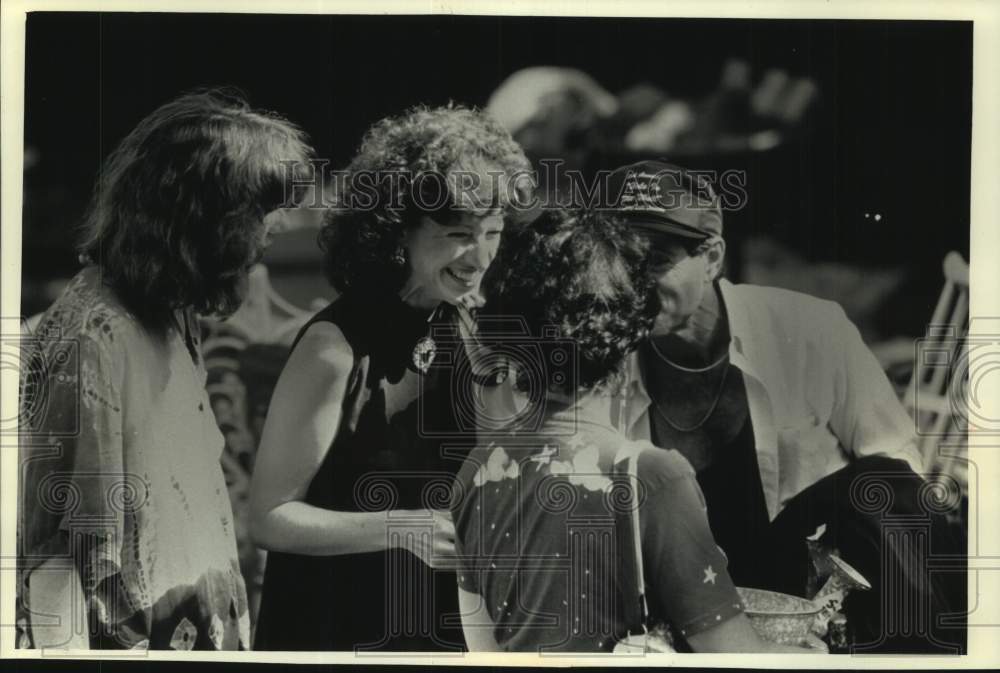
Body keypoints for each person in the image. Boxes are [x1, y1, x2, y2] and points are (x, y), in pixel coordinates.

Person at [602, 159, 966, 653]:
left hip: (811, 580)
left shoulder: (808, 329)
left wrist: (835, 595)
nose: (628, 281)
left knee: (883, 480)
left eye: (655, 259)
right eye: (614, 259)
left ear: (712, 258)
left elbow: (900, 475)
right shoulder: (600, 356)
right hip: (685, 598)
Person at [16, 89, 313, 650]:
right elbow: (72, 571)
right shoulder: (96, 337)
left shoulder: (166, 308)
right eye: (261, 211)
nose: (275, 229)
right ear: (202, 214)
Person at [450, 208, 823, 653]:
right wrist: (805, 655)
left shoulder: (476, 471)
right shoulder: (650, 476)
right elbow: (737, 656)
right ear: (626, 329)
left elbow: (483, 651)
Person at [248, 105, 533, 651]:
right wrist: (404, 530)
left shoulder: (473, 326)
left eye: (493, 232)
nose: (479, 257)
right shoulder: (333, 349)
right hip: (339, 629)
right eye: (457, 233)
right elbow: (269, 518)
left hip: (445, 625)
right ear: (397, 229)